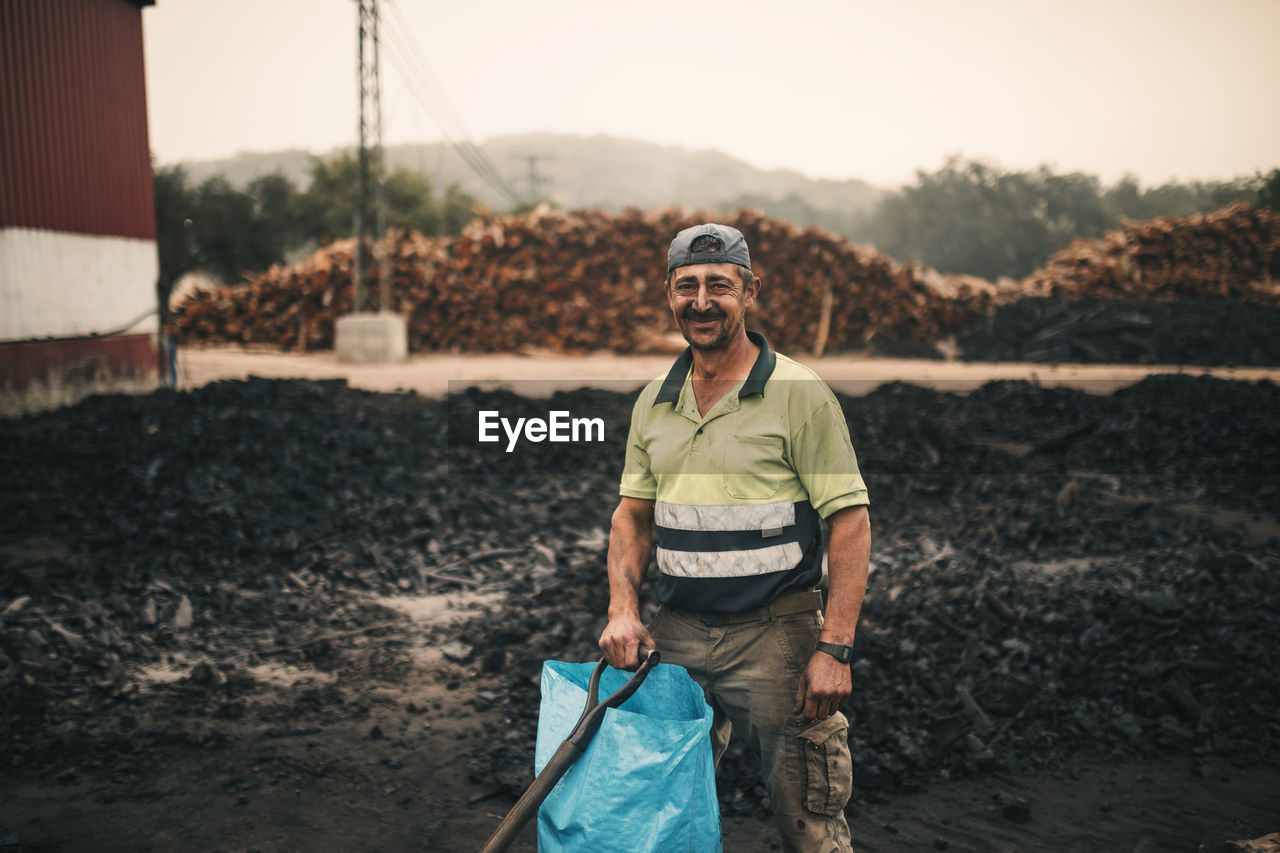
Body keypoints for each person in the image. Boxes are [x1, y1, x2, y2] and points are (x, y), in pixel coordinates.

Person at [598, 223, 872, 852]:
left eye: (718, 285)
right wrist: (622, 608)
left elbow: (849, 520)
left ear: (751, 292)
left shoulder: (799, 395)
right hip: (676, 633)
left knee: (808, 817)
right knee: (657, 809)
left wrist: (835, 649)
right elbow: (632, 516)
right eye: (686, 285)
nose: (701, 301)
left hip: (777, 636)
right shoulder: (653, 402)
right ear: (668, 293)